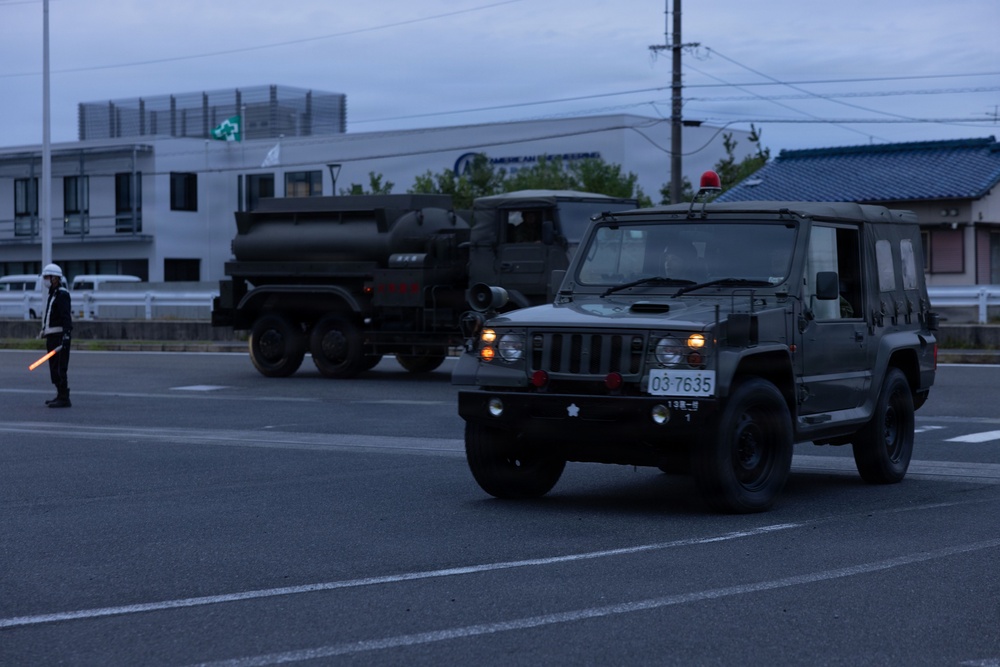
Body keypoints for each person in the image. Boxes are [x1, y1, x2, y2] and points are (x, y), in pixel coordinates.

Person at [38, 263, 73, 408]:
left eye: (48, 277)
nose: (45, 279)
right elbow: (50, 315)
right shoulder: (53, 293)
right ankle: (59, 395)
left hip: (59, 337)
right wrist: (44, 330)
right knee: (53, 368)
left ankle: (64, 397)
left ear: (55, 278)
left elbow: (66, 317)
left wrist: (66, 335)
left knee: (60, 368)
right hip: (52, 336)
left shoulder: (62, 294)